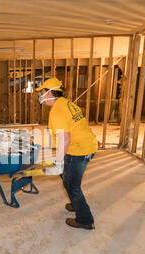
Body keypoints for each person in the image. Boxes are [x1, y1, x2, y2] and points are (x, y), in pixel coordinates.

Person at [36, 78, 98, 230]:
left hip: (79, 150)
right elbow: (78, 125)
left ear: (50, 93)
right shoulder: (68, 104)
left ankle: (85, 220)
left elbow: (64, 137)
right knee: (65, 175)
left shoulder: (56, 110)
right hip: (83, 145)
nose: (41, 97)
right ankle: (75, 203)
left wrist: (58, 161)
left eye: (43, 93)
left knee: (71, 184)